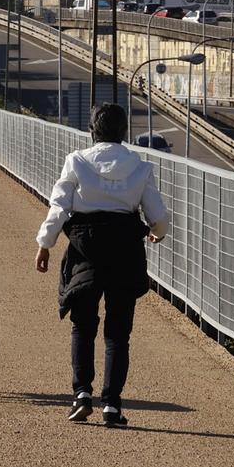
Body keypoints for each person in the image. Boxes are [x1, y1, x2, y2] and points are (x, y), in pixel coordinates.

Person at [33, 103, 170, 426]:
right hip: (125, 250)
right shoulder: (140, 167)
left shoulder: (77, 161)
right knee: (118, 334)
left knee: (83, 325)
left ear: (92, 131)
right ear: (124, 132)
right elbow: (159, 217)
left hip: (86, 248)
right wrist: (156, 234)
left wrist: (44, 244)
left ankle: (82, 394)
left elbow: (59, 207)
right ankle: (111, 404)